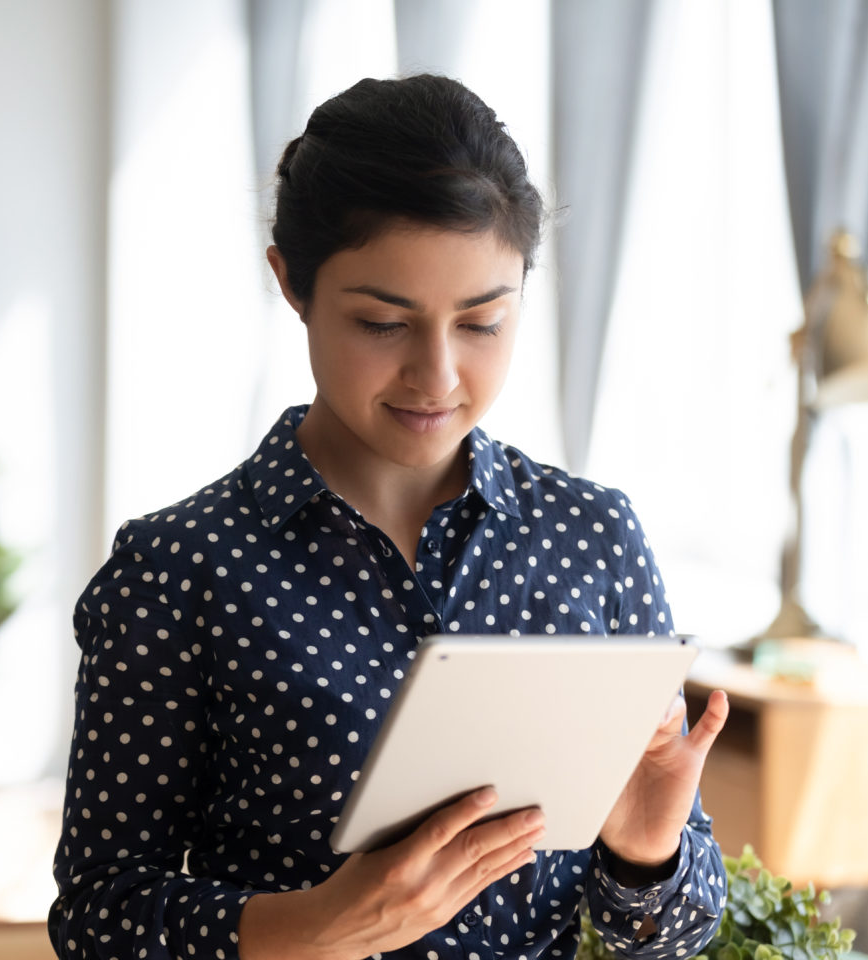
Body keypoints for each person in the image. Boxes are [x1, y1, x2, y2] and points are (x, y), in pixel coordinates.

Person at [48, 74, 731, 960]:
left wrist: (647, 852)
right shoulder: (176, 570)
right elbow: (97, 914)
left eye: (483, 322)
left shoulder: (592, 538)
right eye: (382, 323)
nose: (437, 376)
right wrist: (315, 927)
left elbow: (671, 937)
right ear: (291, 284)